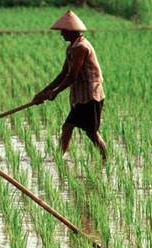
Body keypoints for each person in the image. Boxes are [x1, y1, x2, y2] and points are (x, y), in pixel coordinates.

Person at [33, 10, 107, 164]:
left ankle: (105, 160)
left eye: (63, 31)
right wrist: (43, 92)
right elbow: (63, 74)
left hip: (90, 95)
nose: (61, 34)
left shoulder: (81, 47)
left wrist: (56, 93)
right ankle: (59, 159)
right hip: (81, 96)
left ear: (71, 31)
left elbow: (72, 76)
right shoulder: (72, 48)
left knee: (91, 132)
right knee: (68, 127)